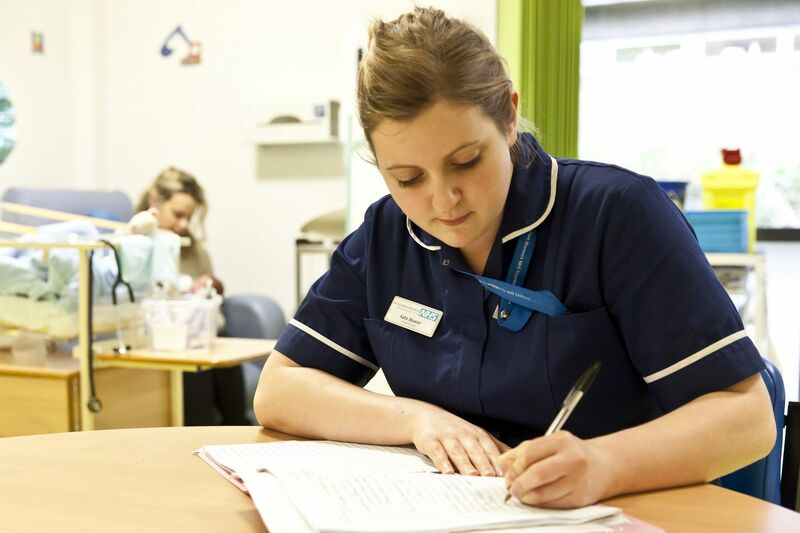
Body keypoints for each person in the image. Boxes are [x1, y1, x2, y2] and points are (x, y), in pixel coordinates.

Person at [253, 7, 774, 508]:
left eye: (465, 162)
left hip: (619, 510)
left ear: (507, 116)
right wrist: (416, 420)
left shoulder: (615, 214)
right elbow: (279, 389)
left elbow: (748, 417)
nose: (443, 201)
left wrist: (601, 464)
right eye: (407, 178)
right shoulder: (387, 233)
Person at [138, 167, 249, 425]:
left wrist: (206, 288)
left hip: (198, 338)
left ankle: (240, 429)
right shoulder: (136, 247)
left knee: (222, 348)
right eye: (177, 215)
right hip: (162, 344)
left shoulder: (195, 252)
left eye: (189, 217)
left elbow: (212, 309)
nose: (184, 225)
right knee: (195, 367)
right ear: (155, 203)